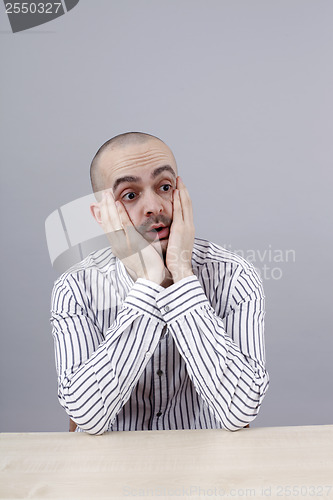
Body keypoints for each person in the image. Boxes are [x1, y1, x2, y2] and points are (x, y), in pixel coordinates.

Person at [50, 132, 269, 435]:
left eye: (164, 187)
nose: (154, 207)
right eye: (130, 194)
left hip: (210, 471)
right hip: (111, 471)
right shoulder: (75, 288)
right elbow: (87, 417)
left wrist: (181, 274)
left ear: (182, 194)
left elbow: (239, 409)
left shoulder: (233, 276)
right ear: (102, 216)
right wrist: (149, 285)